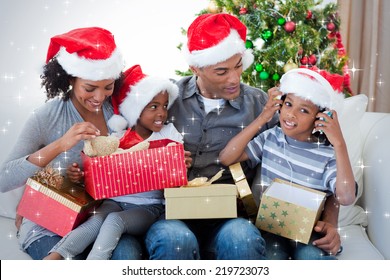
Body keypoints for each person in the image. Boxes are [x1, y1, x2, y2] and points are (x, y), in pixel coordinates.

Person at [144, 13, 278, 260]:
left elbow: (296, 147)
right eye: (221, 71)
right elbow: (128, 142)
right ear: (195, 68)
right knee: (175, 241)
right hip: (173, 216)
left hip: (230, 218)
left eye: (238, 65)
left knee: (243, 240)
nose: (234, 78)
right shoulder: (167, 99)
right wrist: (160, 160)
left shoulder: (259, 103)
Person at [0, 27, 141, 260]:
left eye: (108, 86)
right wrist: (59, 144)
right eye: (89, 88)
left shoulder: (119, 111)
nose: (99, 97)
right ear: (70, 79)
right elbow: (4, 178)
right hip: (50, 223)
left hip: (103, 222)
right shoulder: (47, 116)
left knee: (128, 255)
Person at [219, 67, 356, 259]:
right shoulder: (271, 138)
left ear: (318, 118)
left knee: (312, 258)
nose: (291, 114)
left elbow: (346, 197)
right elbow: (226, 157)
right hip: (271, 230)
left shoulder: (327, 155)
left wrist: (339, 143)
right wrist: (263, 117)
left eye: (303, 110)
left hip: (308, 234)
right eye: (289, 104)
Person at [82, 64, 185, 260]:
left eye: (164, 106)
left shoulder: (169, 134)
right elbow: (103, 170)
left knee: (114, 221)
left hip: (148, 206)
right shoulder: (119, 137)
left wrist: (178, 163)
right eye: (154, 107)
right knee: (95, 221)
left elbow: (176, 179)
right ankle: (56, 257)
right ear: (136, 111)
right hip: (116, 202)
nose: (162, 113)